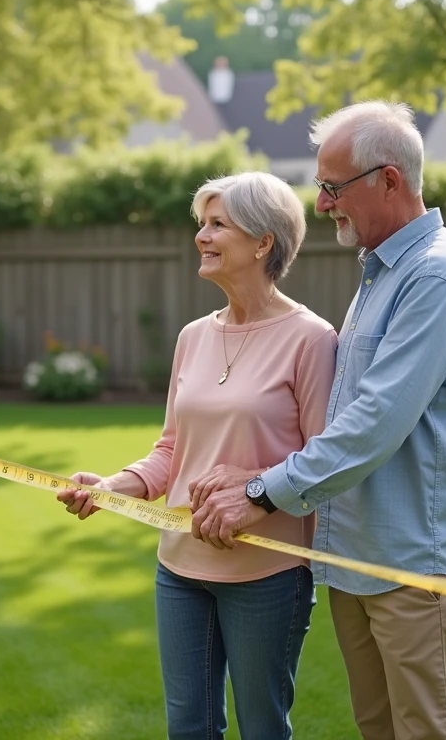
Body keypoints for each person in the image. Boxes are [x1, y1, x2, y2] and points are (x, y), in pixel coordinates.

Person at [189, 100, 446, 740]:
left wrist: (260, 491)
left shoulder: (435, 276)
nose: (324, 203)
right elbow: (343, 415)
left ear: (389, 179)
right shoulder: (383, 272)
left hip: (418, 568)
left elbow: (375, 423)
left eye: (333, 187)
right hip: (360, 561)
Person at [56, 171, 337, 740]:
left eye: (217, 225)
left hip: (267, 574)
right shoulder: (193, 336)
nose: (200, 237)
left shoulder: (311, 339)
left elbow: (326, 462)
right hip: (179, 569)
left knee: (263, 730)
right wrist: (115, 486)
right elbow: (172, 450)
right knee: (188, 729)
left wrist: (256, 485)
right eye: (200, 224)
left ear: (263, 242)